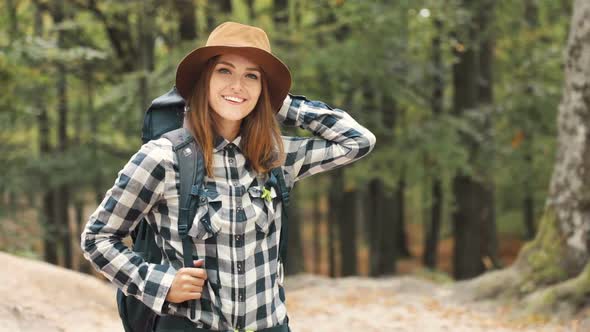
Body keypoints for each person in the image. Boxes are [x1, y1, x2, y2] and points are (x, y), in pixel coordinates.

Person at [81, 21, 376, 331]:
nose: (238, 85)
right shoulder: (163, 158)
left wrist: (277, 100)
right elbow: (97, 237)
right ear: (203, 80)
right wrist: (161, 284)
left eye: (252, 76)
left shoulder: (277, 157)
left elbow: (357, 141)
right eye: (225, 71)